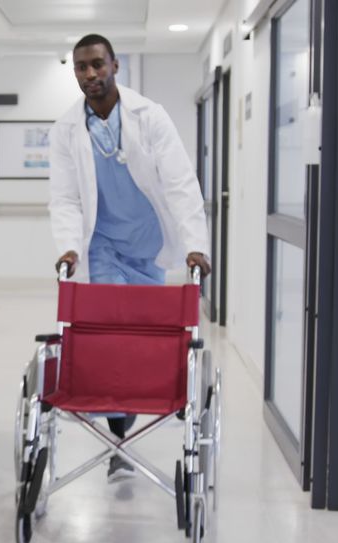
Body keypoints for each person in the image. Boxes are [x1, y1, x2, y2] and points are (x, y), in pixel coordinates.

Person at [48, 34, 211, 482]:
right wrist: (67, 245)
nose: (89, 75)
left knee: (142, 337)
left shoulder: (149, 117)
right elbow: (64, 199)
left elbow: (180, 182)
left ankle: (123, 432)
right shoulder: (66, 129)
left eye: (97, 64)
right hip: (100, 246)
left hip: (148, 245)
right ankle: (119, 439)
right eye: (81, 68)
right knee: (111, 333)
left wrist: (196, 243)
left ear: (115, 65)